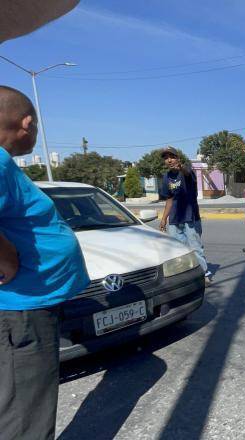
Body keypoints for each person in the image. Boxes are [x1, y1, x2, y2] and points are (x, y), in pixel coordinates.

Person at [0, 85, 90, 439]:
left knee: (22, 401)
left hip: (27, 307)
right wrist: (5, 256)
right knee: (26, 414)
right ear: (27, 123)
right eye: (34, 128)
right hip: (21, 310)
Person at [158, 146, 210, 280]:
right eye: (166, 158)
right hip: (175, 219)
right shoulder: (166, 177)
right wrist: (164, 218)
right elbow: (169, 198)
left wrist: (181, 167)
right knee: (179, 250)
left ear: (178, 158)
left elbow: (187, 173)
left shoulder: (187, 171)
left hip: (190, 216)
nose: (169, 160)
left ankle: (204, 274)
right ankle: (187, 275)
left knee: (195, 248)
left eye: (171, 157)